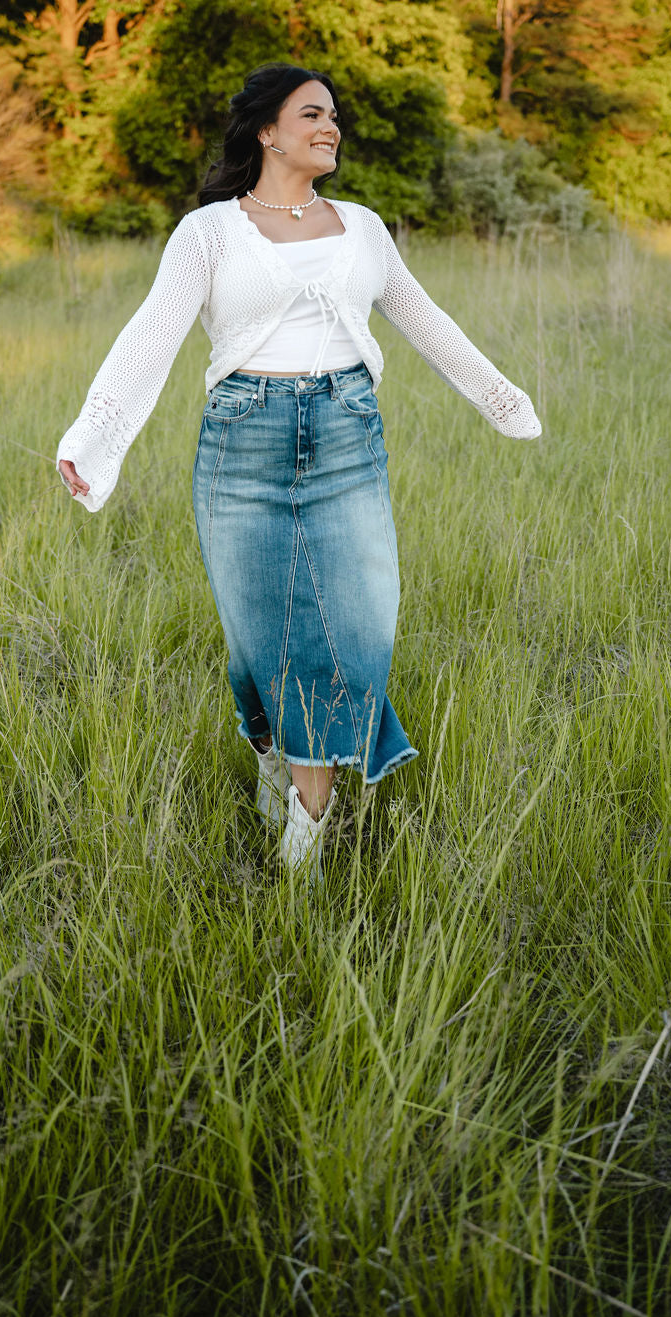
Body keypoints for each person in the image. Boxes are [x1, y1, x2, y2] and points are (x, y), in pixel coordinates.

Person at [57, 62, 541, 883]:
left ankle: (303, 850)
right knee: (260, 643)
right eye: (312, 113)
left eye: (336, 117)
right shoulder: (209, 232)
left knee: (353, 633)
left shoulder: (363, 227)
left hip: (349, 439)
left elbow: (425, 319)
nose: (332, 127)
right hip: (242, 444)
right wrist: (94, 437)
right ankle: (275, 759)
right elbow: (153, 336)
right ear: (266, 131)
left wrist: (500, 398)